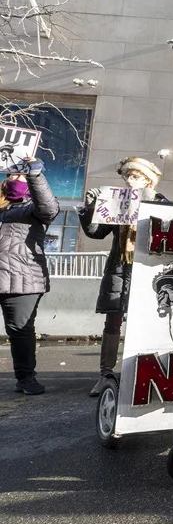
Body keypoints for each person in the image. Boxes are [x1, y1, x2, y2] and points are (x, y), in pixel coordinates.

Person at [81, 157, 165, 396]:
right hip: (119, 266)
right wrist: (90, 208)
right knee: (113, 321)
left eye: (136, 176)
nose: (130, 180)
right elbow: (96, 232)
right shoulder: (116, 200)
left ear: (148, 180)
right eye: (128, 176)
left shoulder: (160, 202)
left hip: (145, 267)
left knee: (147, 320)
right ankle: (105, 373)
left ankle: (144, 371)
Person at [0, 158, 59, 395]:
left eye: (21, 176)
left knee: (20, 330)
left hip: (21, 278)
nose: (16, 179)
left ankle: (26, 378)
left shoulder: (33, 209)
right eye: (12, 176)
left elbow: (48, 207)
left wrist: (34, 174)